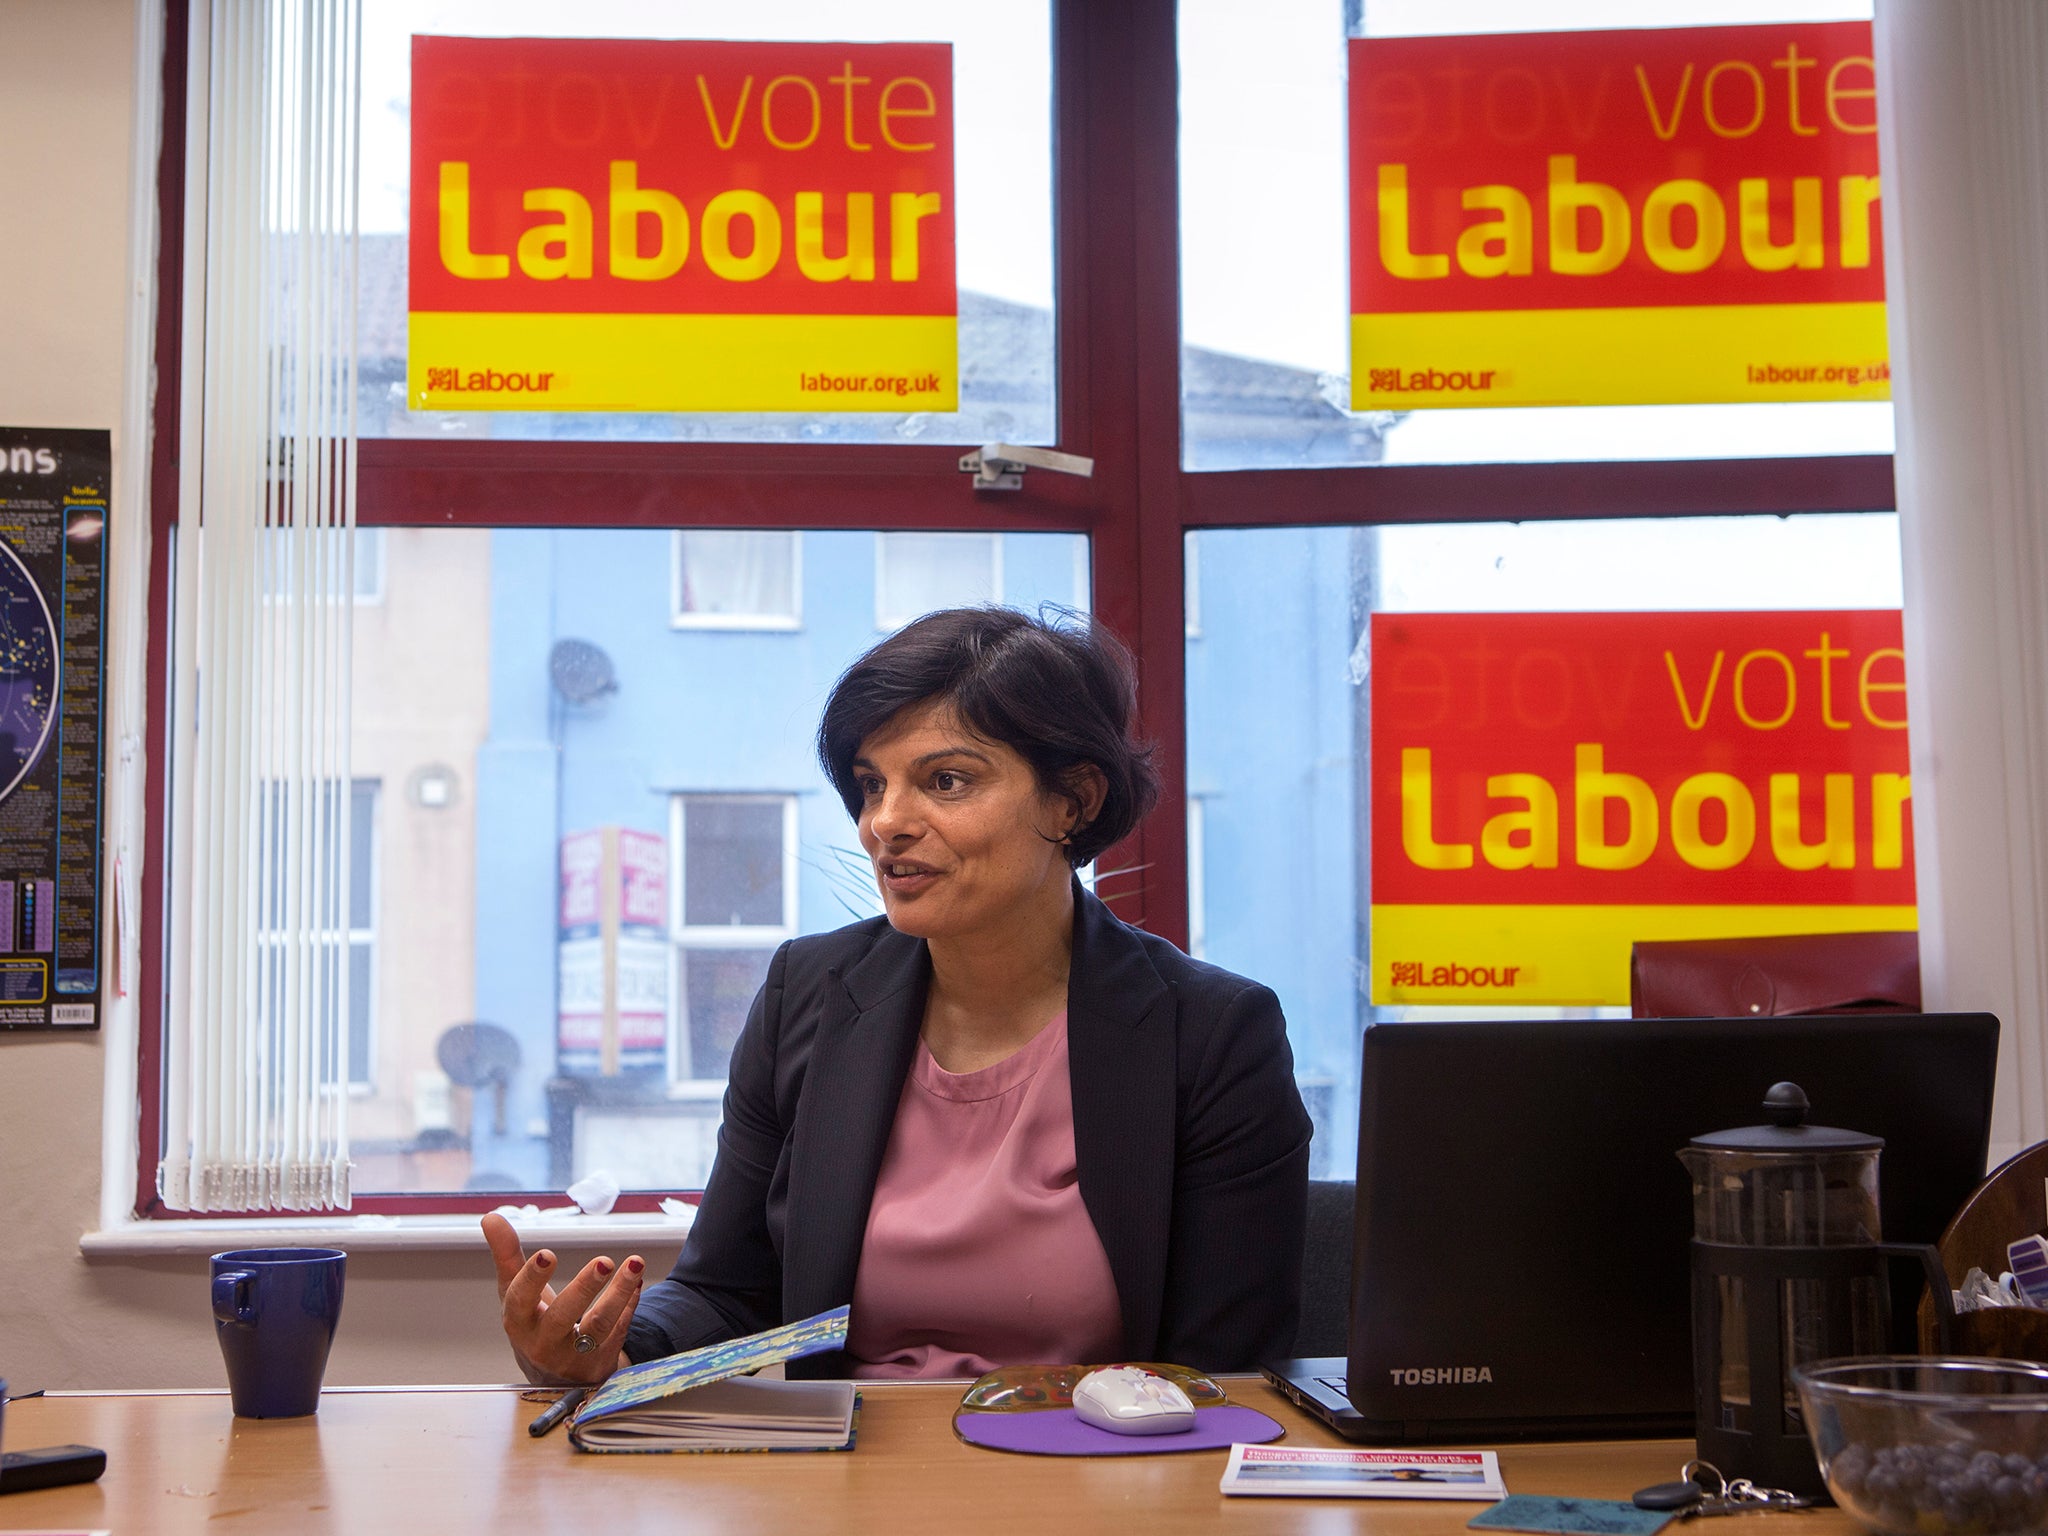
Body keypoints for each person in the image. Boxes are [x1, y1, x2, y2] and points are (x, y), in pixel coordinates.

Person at [484, 606, 1311, 1384]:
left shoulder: (1210, 1034)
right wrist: (615, 1351)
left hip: (1098, 1482)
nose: (886, 822)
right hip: (849, 1476)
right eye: (872, 784)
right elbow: (731, 1291)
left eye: (946, 781)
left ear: (1074, 800)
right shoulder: (804, 995)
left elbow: (1223, 1375)